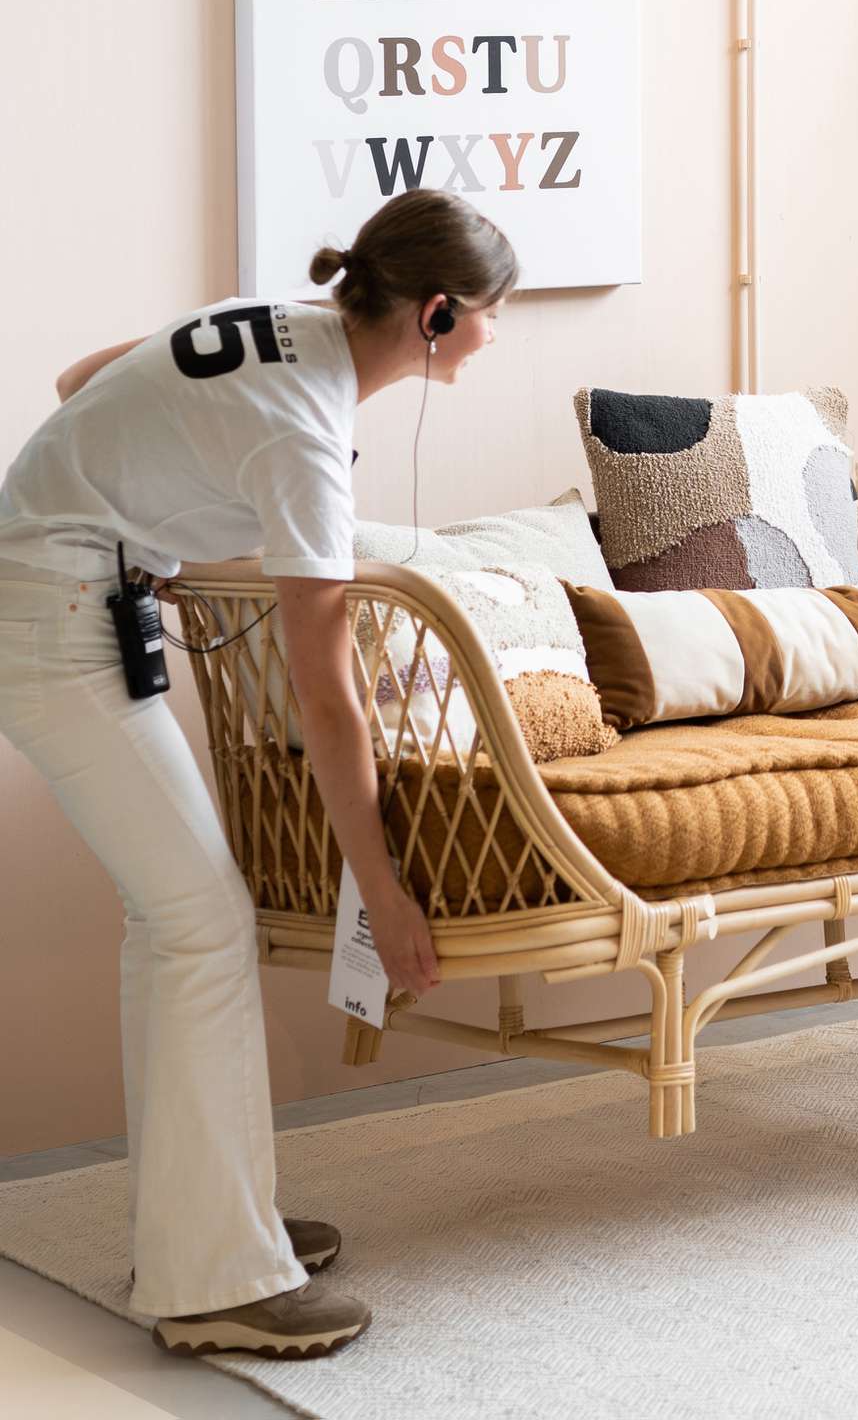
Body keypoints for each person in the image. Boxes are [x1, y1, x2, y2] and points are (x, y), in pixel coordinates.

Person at [0, 190, 515, 1357]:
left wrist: (152, 537)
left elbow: (83, 383)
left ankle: (204, 1234)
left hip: (53, 597)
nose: (497, 334)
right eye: (493, 313)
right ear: (437, 314)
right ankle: (214, 1283)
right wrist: (382, 896)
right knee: (200, 925)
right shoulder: (305, 433)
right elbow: (330, 700)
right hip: (53, 622)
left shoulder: (284, 322)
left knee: (175, 924)